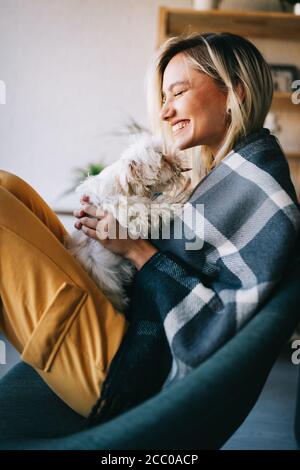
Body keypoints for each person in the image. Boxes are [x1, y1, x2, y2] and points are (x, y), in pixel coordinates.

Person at [0, 32, 299, 435]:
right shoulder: (231, 174)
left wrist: (136, 250)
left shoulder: (261, 192)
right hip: (129, 325)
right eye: (163, 98)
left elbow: (219, 325)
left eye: (177, 93)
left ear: (234, 93)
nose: (165, 111)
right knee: (8, 187)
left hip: (133, 368)